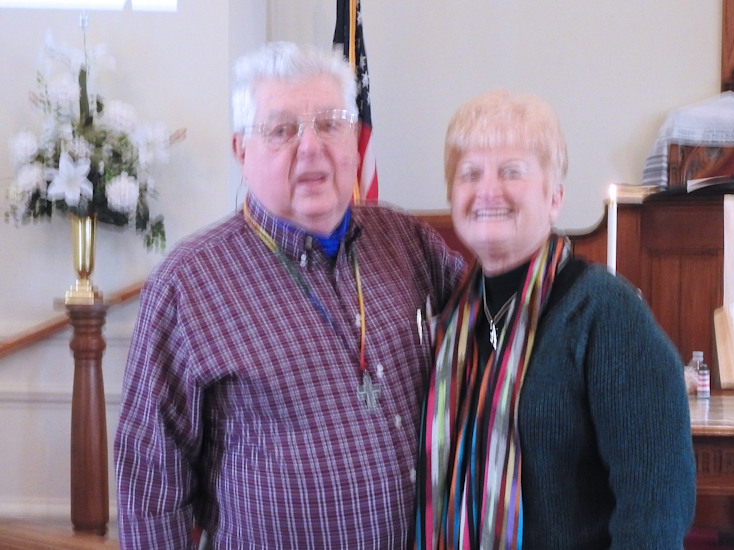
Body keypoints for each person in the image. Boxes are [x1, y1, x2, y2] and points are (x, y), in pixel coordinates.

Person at [114, 41, 465, 549]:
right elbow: (151, 483)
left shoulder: (406, 241)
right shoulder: (188, 283)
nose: (311, 147)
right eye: (281, 130)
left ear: (355, 139)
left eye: (330, 124)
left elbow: (495, 331)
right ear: (241, 151)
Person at [412, 90, 696, 549]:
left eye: (511, 171)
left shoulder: (605, 313)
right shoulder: (452, 319)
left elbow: (655, 511)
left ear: (555, 197)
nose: (487, 190)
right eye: (470, 173)